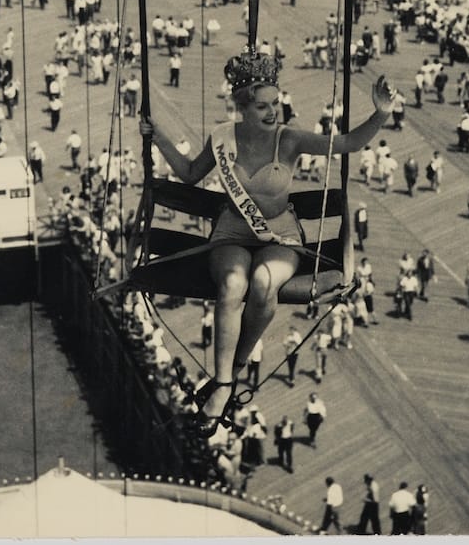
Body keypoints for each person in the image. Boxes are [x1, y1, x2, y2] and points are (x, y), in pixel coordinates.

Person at [141, 48, 396, 431]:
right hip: (232, 230)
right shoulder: (223, 137)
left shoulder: (288, 140)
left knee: (263, 282)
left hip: (280, 234)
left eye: (275, 103)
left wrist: (381, 113)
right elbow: (191, 173)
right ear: (242, 108)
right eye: (262, 106)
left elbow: (347, 144)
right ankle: (223, 385)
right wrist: (157, 137)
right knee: (232, 283)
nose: (273, 111)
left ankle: (233, 369)